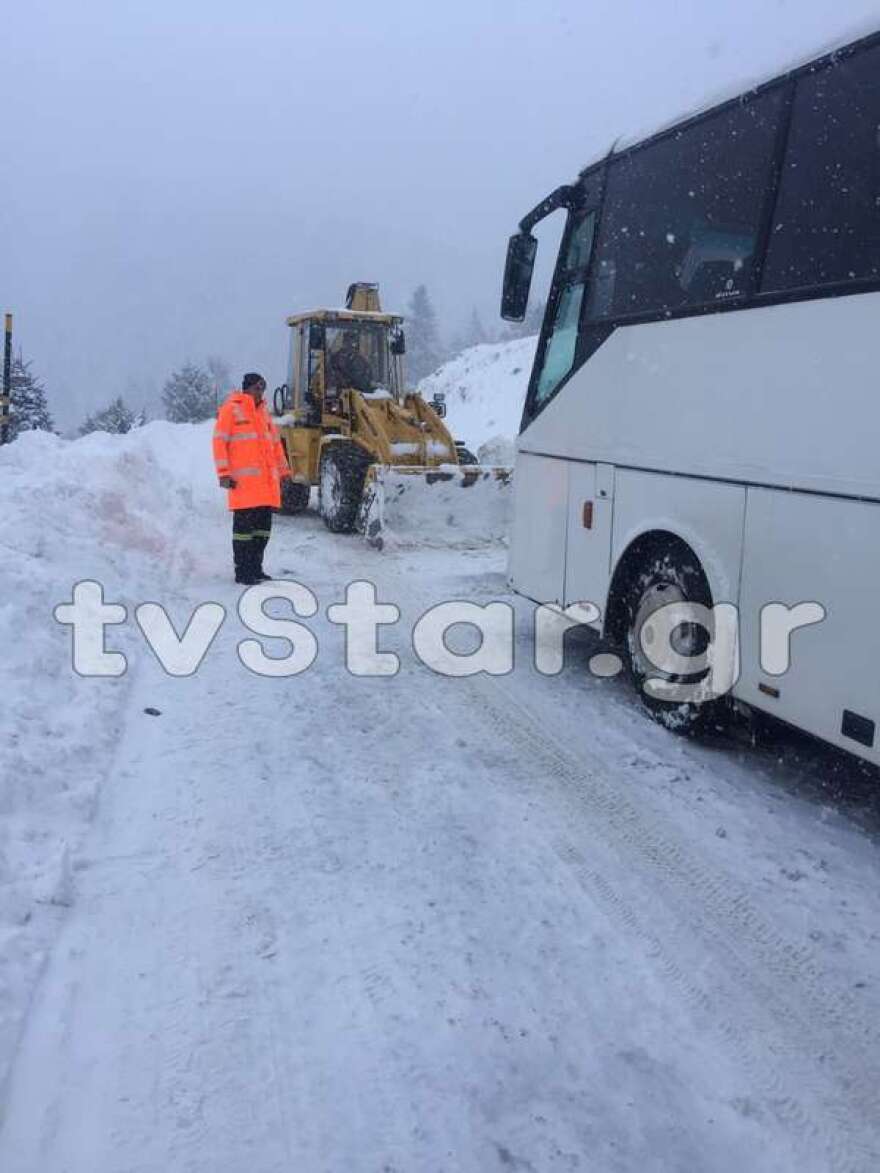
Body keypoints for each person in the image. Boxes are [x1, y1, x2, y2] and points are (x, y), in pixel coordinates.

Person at [212, 372, 292, 584]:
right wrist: (224, 474)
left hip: (265, 487)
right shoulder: (231, 410)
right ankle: (243, 572)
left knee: (262, 533)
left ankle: (256, 569)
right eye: (257, 388)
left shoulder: (263, 413)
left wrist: (283, 471)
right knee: (243, 534)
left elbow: (275, 445)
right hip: (244, 487)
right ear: (247, 388)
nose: (261, 392)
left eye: (263, 388)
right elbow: (219, 442)